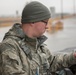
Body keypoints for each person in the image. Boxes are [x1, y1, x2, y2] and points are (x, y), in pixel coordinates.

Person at [0, 1, 76, 75]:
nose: (47, 26)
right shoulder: (9, 47)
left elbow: (52, 62)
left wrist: (73, 56)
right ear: (33, 21)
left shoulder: (36, 44)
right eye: (45, 22)